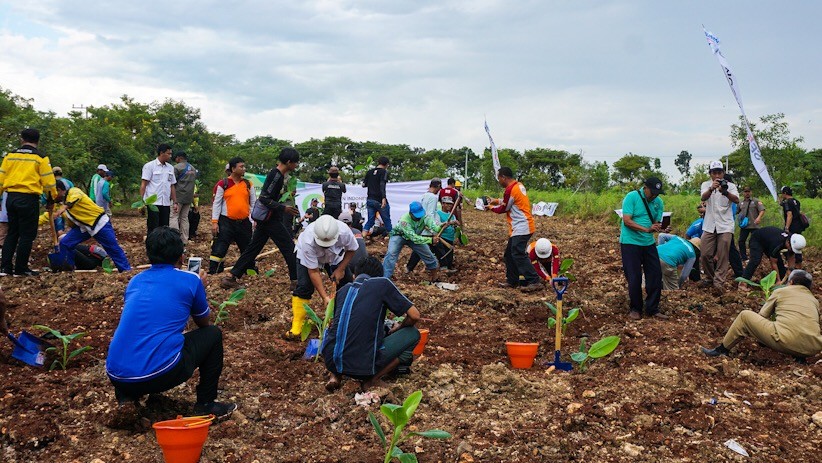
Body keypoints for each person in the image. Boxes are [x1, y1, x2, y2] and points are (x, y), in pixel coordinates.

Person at [106, 227, 236, 419]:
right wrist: (200, 288)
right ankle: (206, 404)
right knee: (213, 335)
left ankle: (127, 400)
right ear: (181, 257)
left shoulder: (135, 281)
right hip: (161, 373)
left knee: (136, 336)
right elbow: (203, 322)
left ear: (149, 255)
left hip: (117, 377)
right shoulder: (190, 280)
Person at [322, 256, 421, 392]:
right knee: (413, 333)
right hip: (363, 368)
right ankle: (372, 380)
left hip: (331, 361)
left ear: (354, 276)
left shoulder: (342, 290)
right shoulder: (382, 284)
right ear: (378, 276)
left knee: (338, 329)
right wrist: (400, 327)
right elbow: (414, 315)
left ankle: (335, 376)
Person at [221, 148, 300, 289]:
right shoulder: (276, 175)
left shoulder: (279, 176)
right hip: (270, 219)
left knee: (253, 249)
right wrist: (284, 208)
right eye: (296, 162)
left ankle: (231, 277)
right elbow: (264, 198)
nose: (297, 165)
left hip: (266, 219)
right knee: (289, 247)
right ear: (289, 162)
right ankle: (296, 281)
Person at [702, 270, 822, 361]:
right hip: (813, 348)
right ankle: (800, 358)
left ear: (790, 282)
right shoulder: (814, 300)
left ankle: (721, 350)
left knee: (745, 316)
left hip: (786, 341)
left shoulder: (781, 291)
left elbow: (762, 315)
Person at [286, 215, 358, 341]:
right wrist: (324, 297)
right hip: (308, 258)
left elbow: (352, 250)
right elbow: (313, 271)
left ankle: (342, 318)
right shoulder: (308, 240)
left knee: (347, 283)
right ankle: (297, 325)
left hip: (335, 257)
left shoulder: (344, 232)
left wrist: (340, 269)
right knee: (305, 286)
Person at [0, 128, 58, 277]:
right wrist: (51, 199)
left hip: (11, 198)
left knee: (12, 232)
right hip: (28, 199)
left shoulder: (10, 156)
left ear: (22, 139)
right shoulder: (40, 158)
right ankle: (21, 268)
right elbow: (49, 183)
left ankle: (5, 268)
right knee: (27, 235)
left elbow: (1, 178)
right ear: (38, 141)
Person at [50, 180, 131, 272]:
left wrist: (64, 207)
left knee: (112, 248)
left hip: (99, 223)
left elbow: (76, 198)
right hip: (85, 227)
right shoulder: (61, 204)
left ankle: (125, 270)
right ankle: (68, 269)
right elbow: (49, 216)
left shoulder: (73, 191)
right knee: (65, 243)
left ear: (58, 190)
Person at [486, 167, 541, 293]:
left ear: (503, 177)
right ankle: (512, 280)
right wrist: (496, 201)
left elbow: (504, 208)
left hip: (521, 226)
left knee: (517, 253)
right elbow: (510, 201)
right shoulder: (518, 186)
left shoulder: (510, 190)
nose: (499, 181)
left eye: (499, 178)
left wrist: (491, 207)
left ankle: (534, 280)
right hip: (522, 226)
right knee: (509, 254)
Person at [619, 177, 666, 319]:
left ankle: (652, 308)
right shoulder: (632, 197)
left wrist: (661, 228)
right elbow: (627, 221)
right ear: (645, 188)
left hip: (648, 243)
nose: (655, 196)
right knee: (634, 277)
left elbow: (656, 223)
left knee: (655, 274)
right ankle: (636, 308)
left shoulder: (658, 202)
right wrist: (646, 229)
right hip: (630, 242)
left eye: (657, 193)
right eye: (652, 192)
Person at [209, 157, 256, 274]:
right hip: (226, 222)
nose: (244, 169)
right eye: (241, 167)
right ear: (233, 169)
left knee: (247, 247)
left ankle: (249, 270)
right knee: (220, 247)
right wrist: (214, 222)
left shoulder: (248, 184)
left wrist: (254, 219)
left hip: (244, 222)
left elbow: (253, 203)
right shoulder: (223, 184)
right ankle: (215, 270)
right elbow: (217, 204)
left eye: (244, 166)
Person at [698, 161, 739, 293]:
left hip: (725, 225)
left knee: (722, 255)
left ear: (723, 173)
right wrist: (712, 188)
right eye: (714, 173)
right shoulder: (706, 185)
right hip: (709, 224)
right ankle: (710, 277)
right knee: (705, 254)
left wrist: (725, 192)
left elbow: (737, 200)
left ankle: (719, 282)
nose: (717, 175)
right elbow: (703, 197)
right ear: (710, 174)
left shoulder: (730, 186)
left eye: (719, 172)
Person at [382, 201, 442, 281]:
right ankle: (385, 278)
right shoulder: (404, 221)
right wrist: (430, 240)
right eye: (416, 216)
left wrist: (442, 226)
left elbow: (435, 227)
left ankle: (435, 278)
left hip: (415, 236)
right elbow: (414, 238)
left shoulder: (425, 217)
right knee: (391, 254)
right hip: (399, 235)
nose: (419, 218)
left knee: (427, 254)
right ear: (410, 213)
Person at [738, 227, 806, 290]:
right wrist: (778, 280)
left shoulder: (792, 238)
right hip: (757, 240)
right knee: (755, 260)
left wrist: (790, 270)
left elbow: (791, 255)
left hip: (768, 241)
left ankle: (781, 281)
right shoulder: (777, 243)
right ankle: (743, 283)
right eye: (792, 248)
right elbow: (773, 263)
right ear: (788, 243)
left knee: (781, 266)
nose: (792, 250)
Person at [407, 195, 458, 274]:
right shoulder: (434, 214)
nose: (449, 205)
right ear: (442, 204)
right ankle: (410, 268)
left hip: (439, 237)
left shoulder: (446, 215)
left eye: (450, 204)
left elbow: (438, 225)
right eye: (447, 203)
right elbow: (435, 225)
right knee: (420, 250)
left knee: (442, 253)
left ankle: (441, 267)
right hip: (431, 235)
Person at [140, 144, 177, 235]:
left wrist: (175, 202)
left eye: (171, 154)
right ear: (161, 153)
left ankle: (163, 244)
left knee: (165, 228)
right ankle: (151, 244)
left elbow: (172, 185)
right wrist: (142, 202)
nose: (170, 156)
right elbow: (144, 184)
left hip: (166, 203)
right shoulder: (149, 166)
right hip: (153, 203)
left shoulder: (170, 168)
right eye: (168, 153)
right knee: (153, 227)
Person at [171, 151, 197, 243]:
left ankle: (175, 239)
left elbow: (172, 183)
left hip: (178, 197)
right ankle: (184, 239)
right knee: (184, 218)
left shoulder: (176, 167)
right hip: (189, 197)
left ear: (179, 157)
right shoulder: (193, 168)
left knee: (173, 217)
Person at [363, 156, 392, 237]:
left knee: (370, 221)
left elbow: (364, 184)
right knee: (387, 221)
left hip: (370, 199)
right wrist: (383, 198)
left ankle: (361, 238)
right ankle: (393, 239)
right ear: (386, 164)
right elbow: (382, 185)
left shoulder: (369, 172)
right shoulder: (384, 172)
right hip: (379, 199)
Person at [737, 186, 766, 261]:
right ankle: (744, 257)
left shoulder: (756, 201)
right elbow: (737, 211)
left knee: (754, 242)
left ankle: (755, 257)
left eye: (748, 191)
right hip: (745, 226)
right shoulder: (740, 202)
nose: (747, 193)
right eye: (745, 191)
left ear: (751, 192)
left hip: (754, 225)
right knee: (741, 241)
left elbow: (762, 210)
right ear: (743, 193)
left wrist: (759, 217)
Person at [780, 186, 806, 267]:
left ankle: (791, 264)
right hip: (798, 226)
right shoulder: (796, 201)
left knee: (789, 244)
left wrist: (786, 227)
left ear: (784, 193)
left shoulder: (787, 202)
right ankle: (798, 263)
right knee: (797, 244)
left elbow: (789, 214)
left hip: (792, 227)